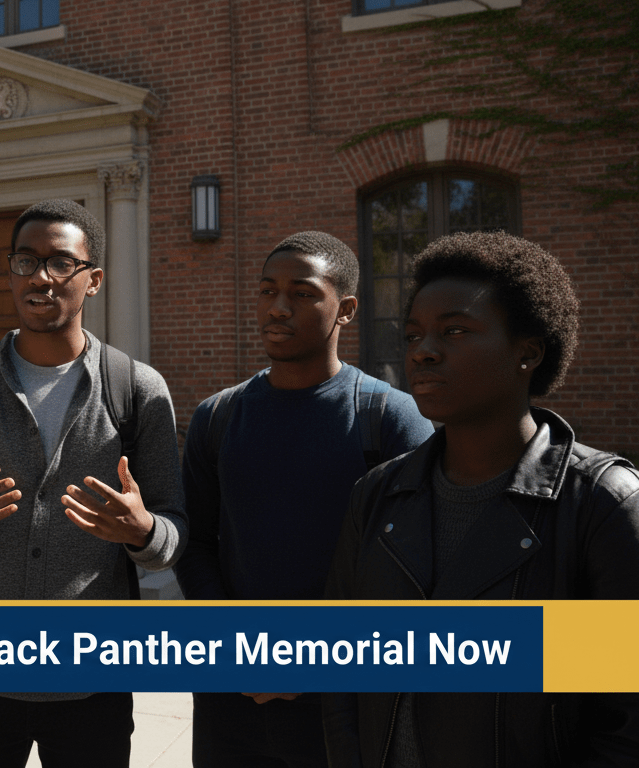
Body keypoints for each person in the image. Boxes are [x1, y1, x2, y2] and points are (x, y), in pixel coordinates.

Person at [324, 231, 639, 767]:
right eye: (414, 334)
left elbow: (625, 728)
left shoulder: (603, 505)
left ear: (528, 353)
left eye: (455, 330)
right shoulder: (377, 495)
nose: (423, 351)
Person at [0, 199, 185, 767]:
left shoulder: (137, 390)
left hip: (93, 680)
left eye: (62, 263)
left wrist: (142, 531)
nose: (41, 277)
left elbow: (171, 534)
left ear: (95, 280)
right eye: (25, 262)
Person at [174, 231, 432, 767]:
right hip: (231, 696)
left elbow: (419, 568)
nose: (279, 307)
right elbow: (195, 543)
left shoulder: (389, 418)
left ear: (347, 309)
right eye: (268, 292)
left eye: (303, 293)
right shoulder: (217, 417)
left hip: (347, 700)